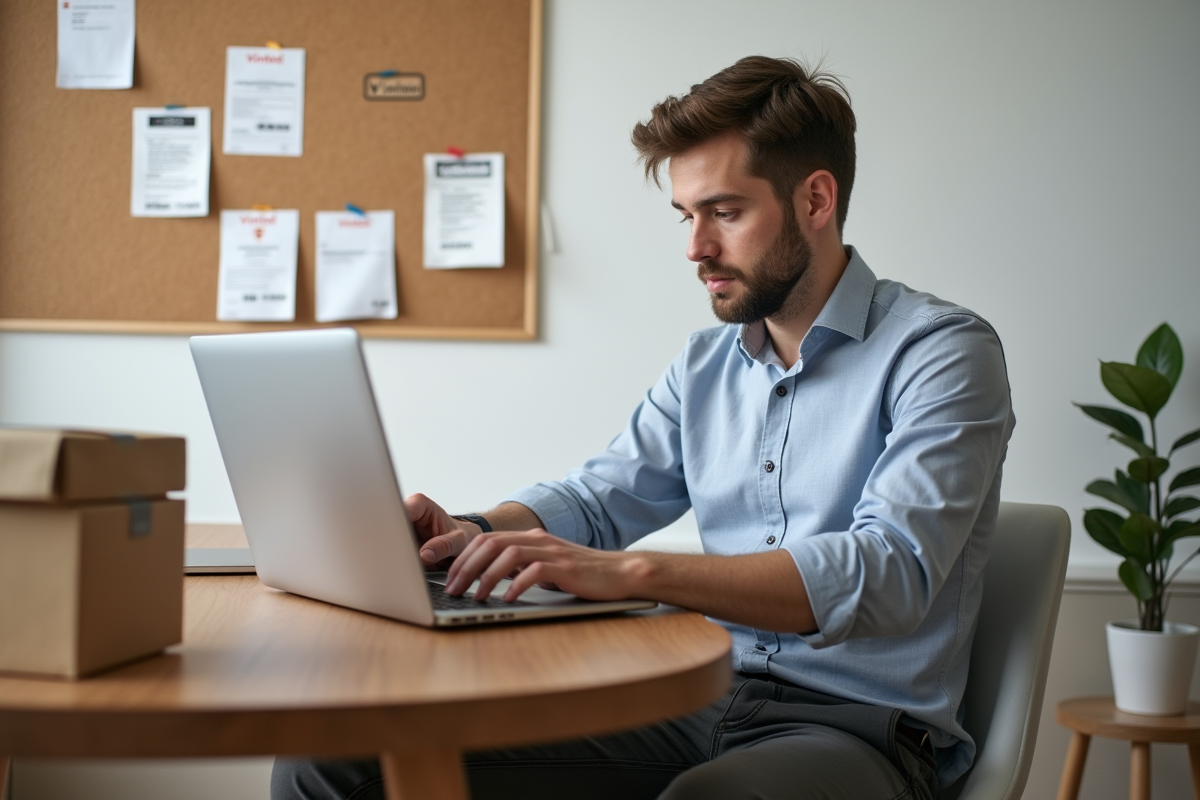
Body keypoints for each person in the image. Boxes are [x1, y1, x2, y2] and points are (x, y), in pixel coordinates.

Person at [273, 55, 1014, 800]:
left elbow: (891, 571)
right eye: (687, 216)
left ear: (816, 199)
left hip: (857, 731)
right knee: (337, 759)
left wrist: (639, 574)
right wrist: (474, 530)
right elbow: (599, 500)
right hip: (693, 698)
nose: (696, 248)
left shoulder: (942, 351)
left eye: (724, 212)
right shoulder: (705, 365)